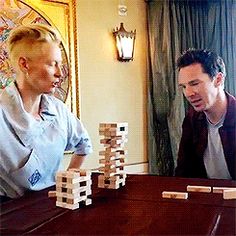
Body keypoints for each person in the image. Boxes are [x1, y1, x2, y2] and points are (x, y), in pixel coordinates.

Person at [0, 24, 93, 201]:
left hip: (53, 208)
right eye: (52, 64)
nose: (60, 73)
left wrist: (68, 182)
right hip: (8, 217)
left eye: (60, 65)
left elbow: (84, 144)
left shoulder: (59, 110)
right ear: (24, 64)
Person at [175, 49, 236, 180]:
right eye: (184, 87)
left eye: (194, 83)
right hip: (206, 198)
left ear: (218, 79)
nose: (188, 93)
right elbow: (183, 173)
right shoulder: (192, 119)